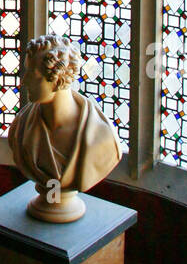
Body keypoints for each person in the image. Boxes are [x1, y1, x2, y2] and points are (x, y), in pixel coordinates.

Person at [8, 30, 121, 222]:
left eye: (32, 75)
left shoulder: (101, 136)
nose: (24, 81)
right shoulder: (20, 127)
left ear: (57, 78)